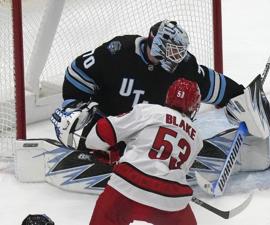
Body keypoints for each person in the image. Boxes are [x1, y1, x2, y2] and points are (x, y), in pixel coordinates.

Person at [61, 19, 244, 149]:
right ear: (157, 44)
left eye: (180, 52)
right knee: (85, 133)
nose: (178, 58)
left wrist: (240, 96)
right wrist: (74, 105)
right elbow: (77, 72)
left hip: (151, 138)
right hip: (108, 126)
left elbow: (211, 84)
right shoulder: (119, 52)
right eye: (173, 51)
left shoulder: (184, 66)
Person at [54, 78, 204, 225]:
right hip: (171, 199)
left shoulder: (149, 111)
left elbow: (97, 136)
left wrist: (110, 151)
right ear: (194, 106)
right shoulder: (197, 138)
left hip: (127, 186)